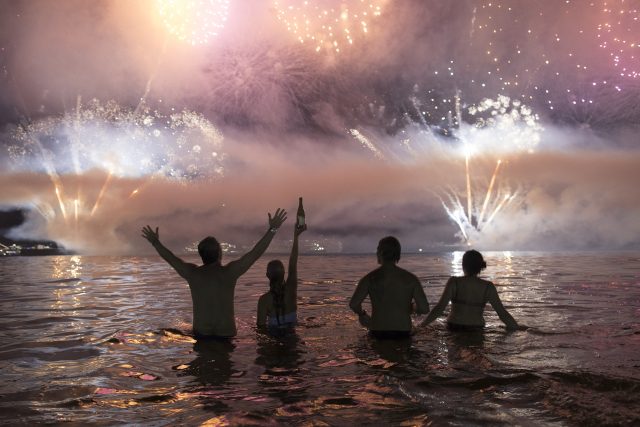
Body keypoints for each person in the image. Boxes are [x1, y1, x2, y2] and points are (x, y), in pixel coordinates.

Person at [141, 208, 287, 339]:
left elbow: (171, 258)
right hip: (226, 335)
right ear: (219, 253)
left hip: (201, 336)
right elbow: (255, 253)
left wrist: (155, 242)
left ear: (201, 256)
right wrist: (273, 229)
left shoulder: (192, 274)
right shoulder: (229, 273)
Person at [420, 249, 524, 331]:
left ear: (463, 265)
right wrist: (517, 328)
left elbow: (439, 308)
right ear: (480, 267)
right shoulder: (487, 286)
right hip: (477, 329)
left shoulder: (454, 282)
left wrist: (422, 325)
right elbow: (502, 313)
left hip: (453, 328)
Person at [349, 236, 430, 339]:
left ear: (379, 253)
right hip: (403, 332)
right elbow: (424, 309)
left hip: (377, 331)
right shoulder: (411, 279)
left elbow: (354, 304)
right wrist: (412, 307)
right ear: (398, 255)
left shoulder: (369, 278)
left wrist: (362, 314)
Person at [256, 219, 307, 334]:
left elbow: (261, 328)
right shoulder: (291, 291)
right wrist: (296, 236)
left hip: (274, 344)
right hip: (293, 340)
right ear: (284, 274)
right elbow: (293, 263)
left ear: (267, 275)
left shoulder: (264, 300)